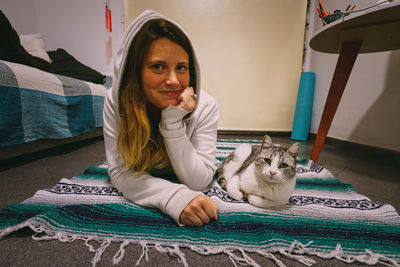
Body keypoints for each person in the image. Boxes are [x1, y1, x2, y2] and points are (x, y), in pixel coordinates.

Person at [103, 10, 219, 226]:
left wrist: (174, 120)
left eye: (181, 68)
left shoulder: (207, 106)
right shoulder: (116, 102)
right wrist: (174, 197)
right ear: (135, 71)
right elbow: (119, 171)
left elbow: (200, 180)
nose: (174, 81)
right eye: (158, 67)